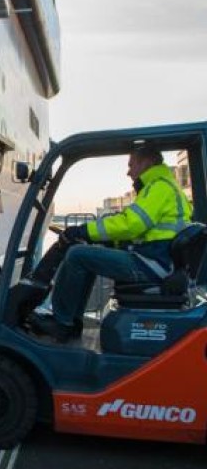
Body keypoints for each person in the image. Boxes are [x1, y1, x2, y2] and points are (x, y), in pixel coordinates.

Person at [27, 144, 193, 343]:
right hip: (157, 261)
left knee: (77, 255)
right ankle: (71, 322)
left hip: (151, 265)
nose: (128, 171)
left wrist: (83, 231)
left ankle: (62, 322)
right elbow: (144, 232)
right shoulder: (166, 187)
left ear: (147, 162)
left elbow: (131, 224)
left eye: (132, 165)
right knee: (87, 255)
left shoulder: (159, 187)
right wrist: (110, 241)